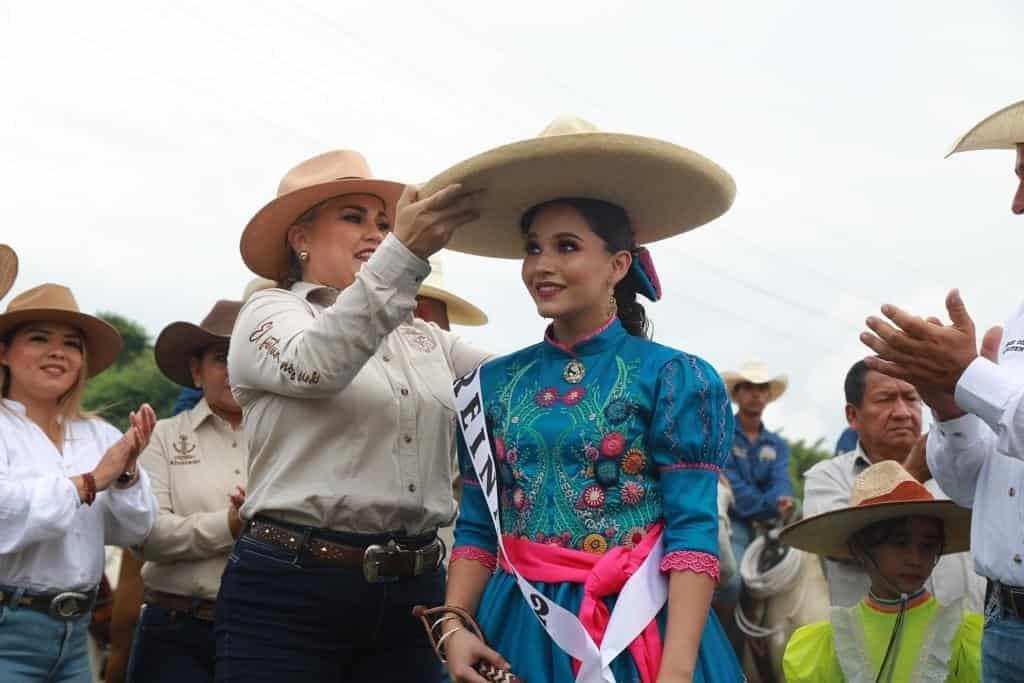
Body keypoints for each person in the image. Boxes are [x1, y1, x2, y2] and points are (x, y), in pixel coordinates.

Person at [436, 116, 742, 682]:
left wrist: (675, 673)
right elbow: (478, 528)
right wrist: (454, 627)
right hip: (517, 627)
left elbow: (693, 537)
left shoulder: (676, 378)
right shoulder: (490, 386)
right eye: (533, 248)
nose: (542, 265)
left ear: (618, 265)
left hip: (641, 631)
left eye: (566, 247)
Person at [218, 149, 488, 682]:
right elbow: (316, 365)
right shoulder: (268, 313)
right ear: (299, 239)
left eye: (385, 224)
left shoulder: (424, 337)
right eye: (353, 217)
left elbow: (522, 385)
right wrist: (405, 251)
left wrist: (600, 294)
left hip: (415, 594)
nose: (377, 233)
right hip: (290, 591)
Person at [860, 97, 1024, 680]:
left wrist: (968, 377)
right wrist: (952, 411)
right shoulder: (1019, 319)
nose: (1017, 204)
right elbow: (970, 488)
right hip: (1006, 619)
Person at [0, 283, 158, 682]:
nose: (59, 351)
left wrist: (124, 477)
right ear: (3, 352)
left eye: (72, 344)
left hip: (75, 636)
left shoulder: (99, 434)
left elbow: (135, 531)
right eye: (39, 338)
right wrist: (90, 481)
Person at [125, 300, 246, 682]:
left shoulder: (294, 440)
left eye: (248, 354)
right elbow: (146, 535)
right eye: (222, 357)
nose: (236, 369)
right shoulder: (159, 437)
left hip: (266, 631)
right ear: (197, 371)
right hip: (175, 629)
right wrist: (229, 526)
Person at [803, 361, 985, 610]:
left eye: (911, 398)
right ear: (852, 415)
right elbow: (838, 544)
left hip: (966, 637)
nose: (902, 412)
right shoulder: (827, 478)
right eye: (886, 399)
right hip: (874, 644)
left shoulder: (958, 467)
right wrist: (910, 476)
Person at [781, 460, 981, 681]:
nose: (915, 559)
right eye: (898, 543)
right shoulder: (831, 642)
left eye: (927, 546)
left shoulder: (960, 635)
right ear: (861, 548)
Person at [716, 360, 792, 626]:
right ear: (737, 395)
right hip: (734, 521)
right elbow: (735, 491)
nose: (756, 394)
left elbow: (782, 480)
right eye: (749, 388)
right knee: (732, 580)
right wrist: (774, 502)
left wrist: (784, 499)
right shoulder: (722, 434)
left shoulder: (778, 444)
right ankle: (725, 640)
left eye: (762, 388)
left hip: (771, 522)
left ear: (769, 396)